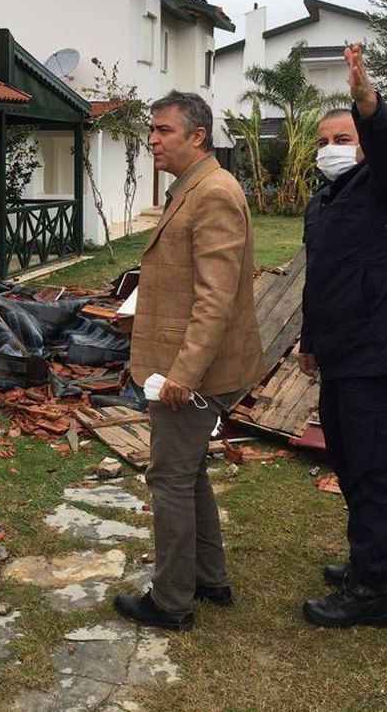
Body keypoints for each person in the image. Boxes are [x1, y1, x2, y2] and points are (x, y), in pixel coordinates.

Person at [114, 91, 265, 632]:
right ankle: (209, 577)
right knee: (188, 470)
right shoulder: (194, 189)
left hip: (192, 371)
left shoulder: (214, 194)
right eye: (151, 131)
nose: (152, 140)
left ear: (197, 136)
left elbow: (216, 297)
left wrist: (184, 373)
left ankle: (172, 600)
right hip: (182, 364)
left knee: (170, 478)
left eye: (162, 131)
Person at [298, 43, 387, 629]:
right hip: (340, 357)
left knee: (376, 475)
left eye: (343, 138)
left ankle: (370, 593)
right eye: (323, 142)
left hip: (382, 358)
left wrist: (368, 104)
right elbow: (321, 280)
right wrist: (308, 342)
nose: (332, 149)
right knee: (353, 466)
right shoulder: (323, 201)